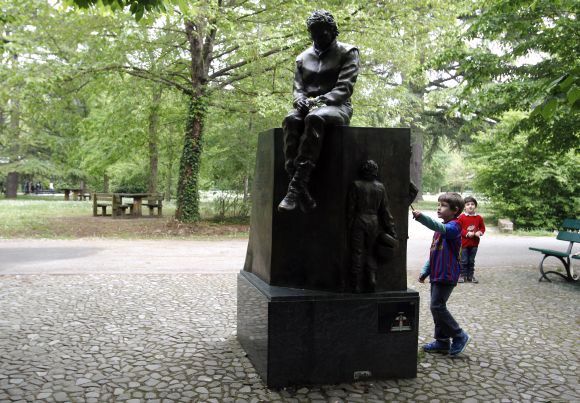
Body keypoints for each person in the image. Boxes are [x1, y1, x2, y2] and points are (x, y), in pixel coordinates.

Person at [278, 9, 360, 213]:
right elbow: (298, 88)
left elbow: (344, 88)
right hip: (307, 108)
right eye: (314, 34)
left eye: (322, 34)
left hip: (337, 107)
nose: (318, 39)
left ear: (333, 31)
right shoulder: (302, 57)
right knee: (290, 119)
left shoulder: (348, 52)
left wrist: (320, 101)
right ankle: (298, 185)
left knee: (315, 117)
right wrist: (299, 101)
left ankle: (295, 188)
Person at [413, 192, 471, 356]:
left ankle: (460, 335)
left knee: (437, 306)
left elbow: (440, 227)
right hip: (437, 274)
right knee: (436, 308)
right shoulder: (439, 231)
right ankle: (442, 341)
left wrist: (422, 218)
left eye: (443, 205)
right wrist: (425, 271)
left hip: (447, 274)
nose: (439, 208)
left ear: (455, 210)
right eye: (438, 205)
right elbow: (434, 253)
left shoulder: (453, 227)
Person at [347, 160, 398, 293]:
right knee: (371, 252)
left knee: (357, 252)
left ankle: (355, 283)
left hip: (359, 220)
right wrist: (391, 230)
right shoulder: (380, 187)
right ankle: (371, 278)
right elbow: (385, 211)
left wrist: (349, 224)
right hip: (374, 221)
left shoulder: (356, 185)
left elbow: (351, 208)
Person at [457, 196, 486, 283]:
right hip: (464, 243)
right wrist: (466, 233)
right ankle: (462, 275)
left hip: (474, 244)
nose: (470, 206)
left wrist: (479, 232)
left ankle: (470, 276)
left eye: (472, 204)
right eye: (468, 204)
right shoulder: (462, 217)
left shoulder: (479, 218)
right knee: (464, 260)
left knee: (471, 260)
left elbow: (482, 228)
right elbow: (459, 228)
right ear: (464, 207)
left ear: (475, 206)